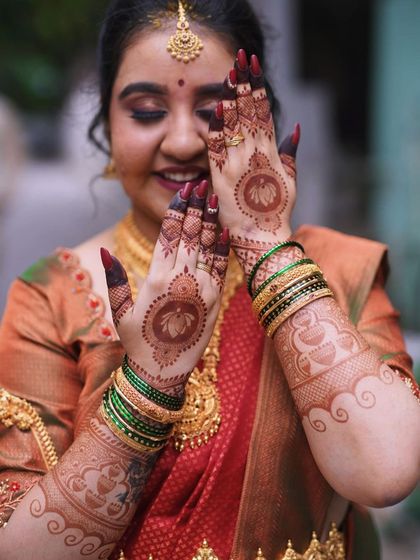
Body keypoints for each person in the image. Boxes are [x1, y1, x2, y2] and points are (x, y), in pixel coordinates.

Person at [0, 1, 419, 559]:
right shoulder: (52, 295)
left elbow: (386, 474)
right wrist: (148, 382)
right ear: (105, 127)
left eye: (215, 110)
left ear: (259, 122)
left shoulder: (339, 269)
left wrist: (266, 246)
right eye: (147, 111)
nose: (181, 142)